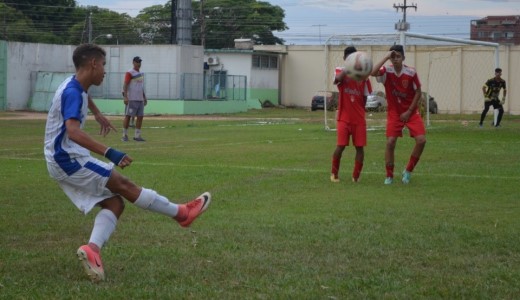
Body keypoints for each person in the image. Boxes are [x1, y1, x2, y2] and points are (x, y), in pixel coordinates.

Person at [43, 44, 211, 282]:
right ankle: (182, 214)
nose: (104, 71)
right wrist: (110, 152)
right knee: (123, 183)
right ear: (92, 63)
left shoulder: (73, 84)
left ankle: (92, 250)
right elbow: (73, 132)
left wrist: (97, 113)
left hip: (60, 158)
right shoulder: (72, 91)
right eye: (103, 65)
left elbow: (83, 95)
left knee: (115, 204)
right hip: (67, 159)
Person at [370, 44, 426, 184]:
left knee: (421, 140)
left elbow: (418, 92)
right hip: (394, 113)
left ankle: (407, 171)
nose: (395, 59)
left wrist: (409, 111)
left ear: (403, 58)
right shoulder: (386, 71)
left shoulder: (411, 73)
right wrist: (386, 57)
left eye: (398, 57)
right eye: (393, 57)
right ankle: (389, 176)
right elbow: (372, 72)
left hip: (411, 112)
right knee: (390, 142)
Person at [330, 46, 372, 183]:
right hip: (343, 118)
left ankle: (356, 176)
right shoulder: (340, 71)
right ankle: (334, 174)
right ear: (344, 59)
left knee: (359, 148)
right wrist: (348, 67)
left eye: (354, 58)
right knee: (340, 146)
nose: (352, 60)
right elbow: (337, 80)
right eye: (349, 58)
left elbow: (365, 98)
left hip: (359, 119)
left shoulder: (364, 76)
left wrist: (358, 110)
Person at [122, 56, 147, 142]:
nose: (138, 64)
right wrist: (125, 96)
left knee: (140, 117)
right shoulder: (130, 72)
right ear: (133, 62)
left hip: (140, 99)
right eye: (137, 62)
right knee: (128, 116)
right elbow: (125, 84)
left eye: (139, 62)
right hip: (132, 98)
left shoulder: (141, 73)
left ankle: (137, 136)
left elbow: (141, 87)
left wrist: (144, 97)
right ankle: (124, 135)